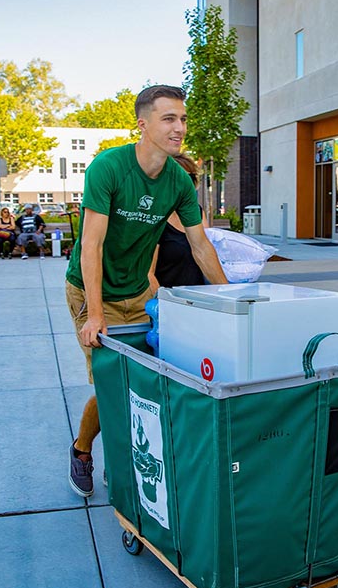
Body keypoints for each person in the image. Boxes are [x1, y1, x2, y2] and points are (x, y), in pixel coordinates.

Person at [67, 84, 227, 498]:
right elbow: (92, 246)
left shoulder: (177, 180)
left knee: (141, 384)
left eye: (183, 119)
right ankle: (83, 450)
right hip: (91, 289)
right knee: (111, 384)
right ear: (143, 124)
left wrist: (233, 299)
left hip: (138, 294)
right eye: (168, 118)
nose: (179, 128)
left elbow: (200, 244)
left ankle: (123, 461)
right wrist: (97, 313)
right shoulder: (109, 167)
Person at [148, 153, 206, 291]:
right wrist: (164, 305)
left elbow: (207, 250)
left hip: (199, 300)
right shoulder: (155, 217)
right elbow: (148, 274)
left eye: (190, 177)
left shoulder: (196, 211)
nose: (184, 183)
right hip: (169, 301)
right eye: (177, 177)